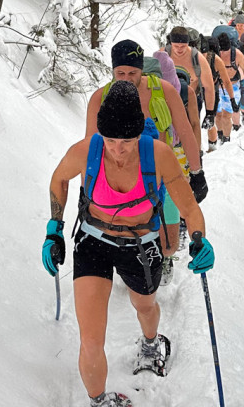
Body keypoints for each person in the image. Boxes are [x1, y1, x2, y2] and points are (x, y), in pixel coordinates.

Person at [44, 81, 216, 407]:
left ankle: (151, 343)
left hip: (141, 245)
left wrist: (199, 239)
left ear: (139, 134)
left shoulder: (158, 155)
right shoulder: (87, 151)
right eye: (110, 141)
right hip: (93, 241)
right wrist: (53, 229)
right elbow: (59, 179)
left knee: (144, 306)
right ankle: (98, 406)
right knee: (91, 338)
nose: (118, 151)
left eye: (126, 142)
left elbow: (189, 208)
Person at [86, 40, 207, 252]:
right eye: (120, 73)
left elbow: (186, 131)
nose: (126, 79)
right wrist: (87, 189)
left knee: (168, 245)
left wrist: (197, 172)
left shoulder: (163, 91)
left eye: (132, 73)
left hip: (163, 172)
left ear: (141, 69)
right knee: (127, 234)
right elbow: (90, 147)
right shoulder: (101, 98)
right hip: (120, 176)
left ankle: (163, 257)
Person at [215, 32, 244, 133]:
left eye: (225, 52)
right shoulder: (214, 54)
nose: (223, 55)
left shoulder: (237, 55)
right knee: (218, 114)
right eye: (221, 51)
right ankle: (220, 134)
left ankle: (227, 138)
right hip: (217, 88)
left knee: (226, 115)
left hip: (233, 86)